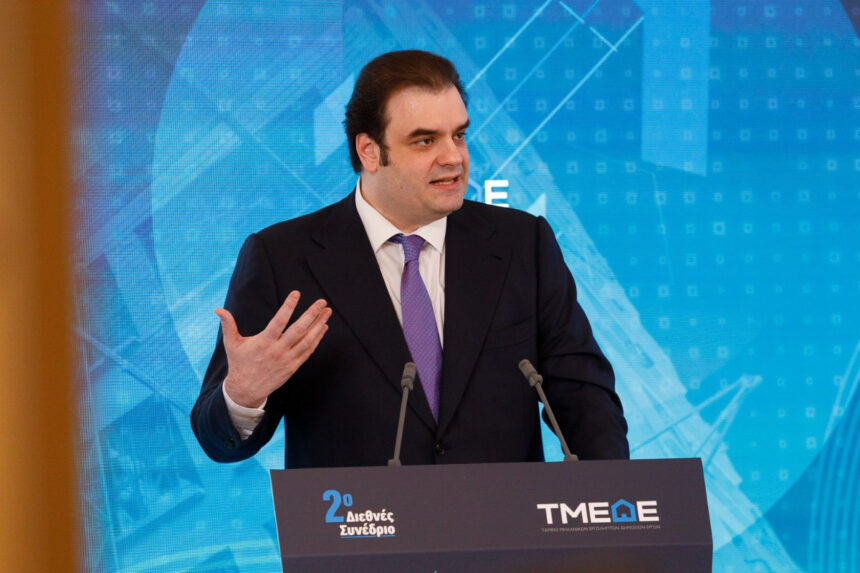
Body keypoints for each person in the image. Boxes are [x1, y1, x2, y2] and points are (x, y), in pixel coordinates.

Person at [191, 50, 629, 468]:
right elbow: (218, 441)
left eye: (459, 135)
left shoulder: (522, 243)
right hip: (355, 519)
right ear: (370, 151)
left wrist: (616, 501)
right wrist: (242, 395)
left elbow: (584, 397)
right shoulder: (283, 257)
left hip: (505, 518)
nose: (453, 157)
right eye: (425, 141)